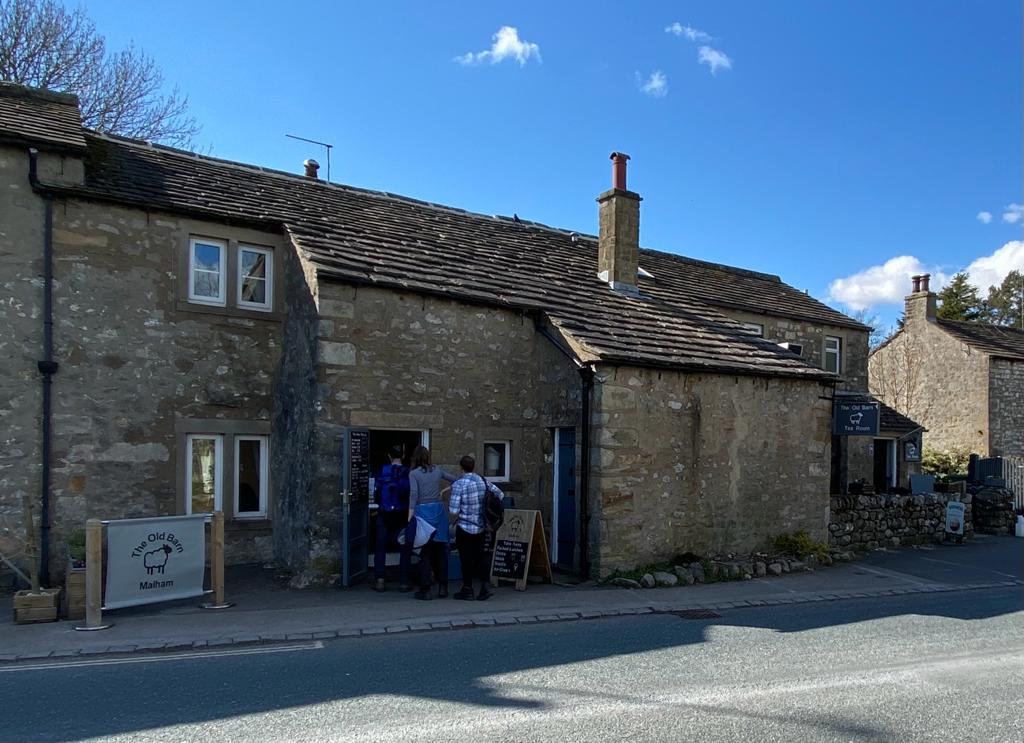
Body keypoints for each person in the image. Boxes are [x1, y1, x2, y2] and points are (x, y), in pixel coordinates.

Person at [449, 454, 504, 601]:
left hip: (465, 527)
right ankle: (484, 588)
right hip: (482, 526)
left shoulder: (459, 484)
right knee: (481, 557)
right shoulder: (482, 480)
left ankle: (467, 589)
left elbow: (453, 510)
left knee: (466, 560)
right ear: (473, 467)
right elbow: (500, 494)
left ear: (461, 467)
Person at [407, 445, 457, 600]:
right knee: (441, 551)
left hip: (423, 513)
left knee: (425, 552)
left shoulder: (413, 474)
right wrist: (444, 491)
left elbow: (414, 495)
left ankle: (426, 588)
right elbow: (456, 480)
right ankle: (443, 587)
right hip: (438, 511)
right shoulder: (437, 470)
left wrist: (409, 517)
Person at [372, 445, 414, 592]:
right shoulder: (408, 472)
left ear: (389, 456)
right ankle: (403, 581)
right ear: (403, 456)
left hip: (384, 511)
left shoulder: (382, 471)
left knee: (380, 546)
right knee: (404, 546)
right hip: (402, 512)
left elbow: (376, 492)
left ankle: (380, 580)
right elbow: (411, 493)